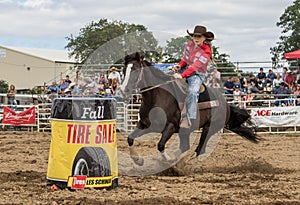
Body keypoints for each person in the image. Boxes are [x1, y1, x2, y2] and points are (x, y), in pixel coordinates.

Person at [173, 25, 214, 127]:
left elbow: (196, 67)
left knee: (193, 91)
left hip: (197, 74)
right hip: (186, 69)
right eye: (194, 36)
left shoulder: (206, 52)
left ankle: (190, 117)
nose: (196, 39)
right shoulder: (189, 45)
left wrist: (182, 75)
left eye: (199, 36)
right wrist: (179, 66)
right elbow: (185, 60)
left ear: (204, 38)